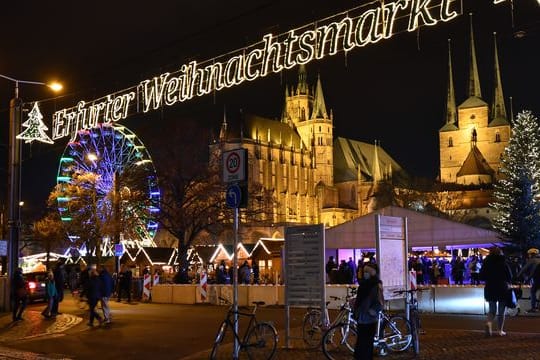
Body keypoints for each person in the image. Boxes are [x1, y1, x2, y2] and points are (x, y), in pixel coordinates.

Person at [479, 247, 512, 336]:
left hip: (490, 286)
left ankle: (489, 323)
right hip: (502, 287)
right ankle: (500, 331)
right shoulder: (504, 262)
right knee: (501, 311)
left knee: (492, 310)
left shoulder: (486, 262)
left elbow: (481, 276)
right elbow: (509, 276)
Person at [353, 264, 384, 360]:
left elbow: (380, 302)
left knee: (366, 343)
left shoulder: (376, 285)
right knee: (361, 343)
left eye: (367, 272)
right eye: (364, 271)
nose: (365, 274)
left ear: (372, 273)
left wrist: (372, 311)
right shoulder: (364, 284)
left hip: (369, 319)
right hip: (361, 317)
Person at [517, 248, 540, 312]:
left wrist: (518, 276)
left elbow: (523, 269)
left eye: (529, 254)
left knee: (533, 292)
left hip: (537, 279)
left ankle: (533, 308)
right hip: (536, 279)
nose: (528, 255)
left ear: (532, 254)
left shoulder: (532, 260)